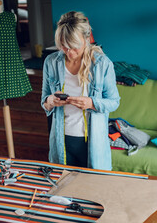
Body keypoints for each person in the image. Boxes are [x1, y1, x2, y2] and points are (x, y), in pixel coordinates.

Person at [41, 11, 120, 170]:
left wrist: (91, 103)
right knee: (62, 188)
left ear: (86, 39)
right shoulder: (51, 62)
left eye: (74, 46)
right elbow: (44, 101)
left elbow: (114, 102)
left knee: (92, 189)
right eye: (64, 46)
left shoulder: (102, 64)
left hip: (92, 143)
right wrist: (50, 101)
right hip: (60, 141)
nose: (69, 52)